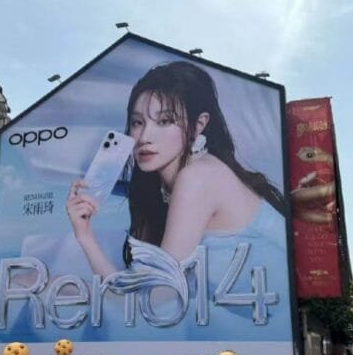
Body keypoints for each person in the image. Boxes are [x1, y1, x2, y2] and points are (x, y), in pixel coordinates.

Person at [66, 62, 289, 319]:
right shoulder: (176, 182)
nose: (144, 136)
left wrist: (85, 237)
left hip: (266, 332)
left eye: (165, 121)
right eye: (138, 122)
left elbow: (152, 300)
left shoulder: (198, 177)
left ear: (198, 125)